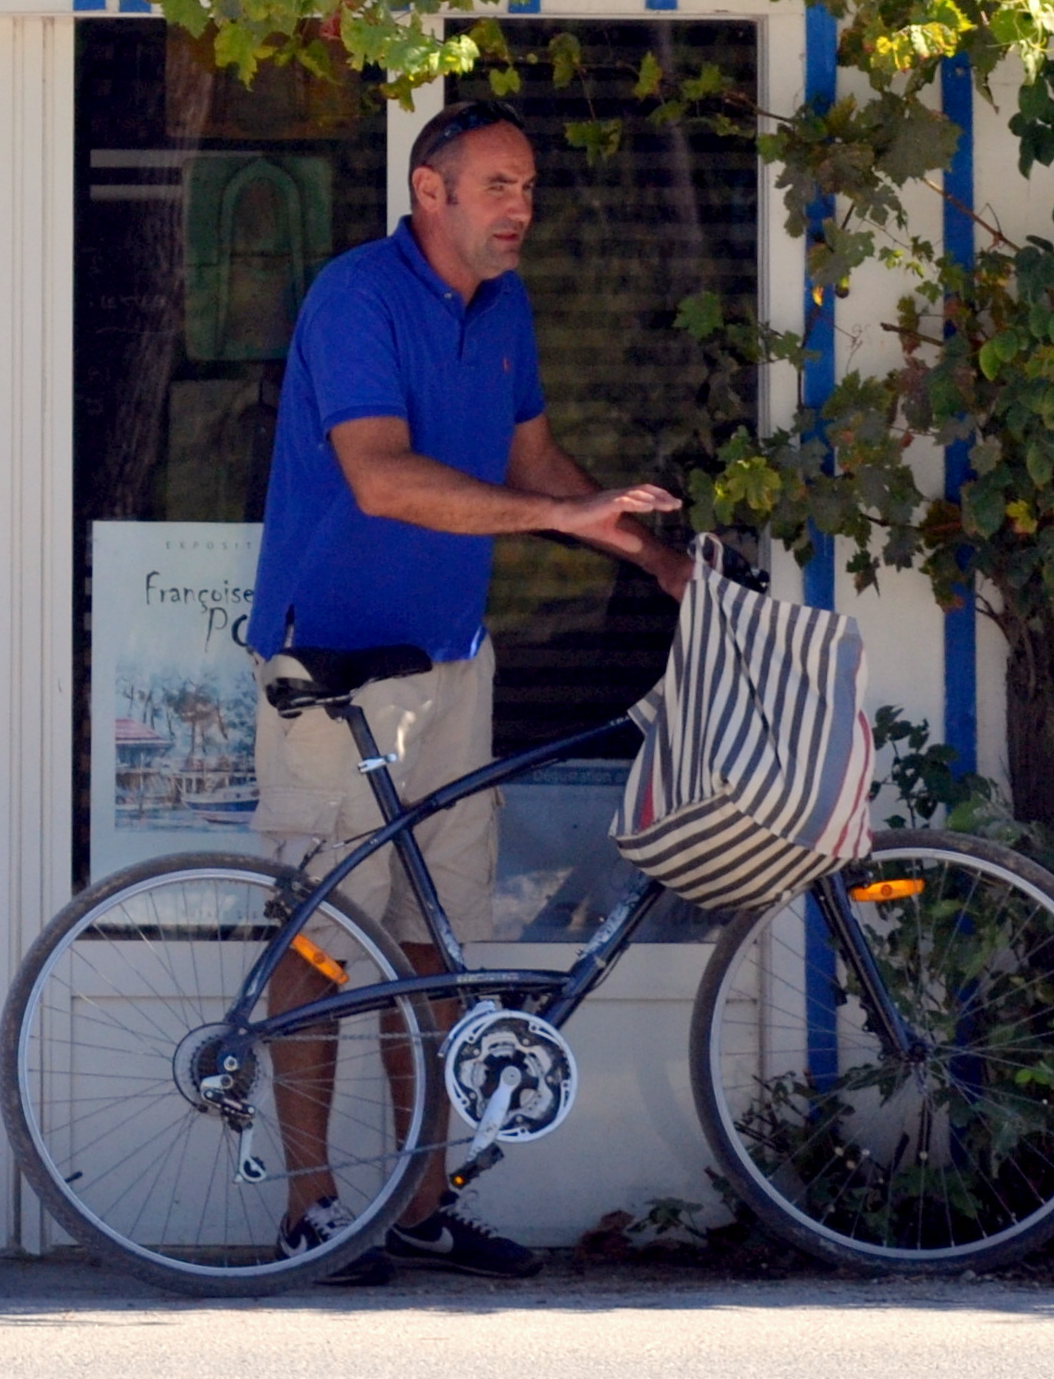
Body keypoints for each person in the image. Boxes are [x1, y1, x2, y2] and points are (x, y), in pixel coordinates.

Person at [248, 99, 689, 1287]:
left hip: (450, 654)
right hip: (336, 658)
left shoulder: (507, 308)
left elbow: (532, 455)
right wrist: (556, 518)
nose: (520, 209)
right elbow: (380, 477)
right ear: (428, 191)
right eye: (498, 185)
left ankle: (420, 1203)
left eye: (529, 188)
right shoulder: (358, 296)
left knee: (440, 938)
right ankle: (308, 1209)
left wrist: (652, 555)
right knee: (327, 935)